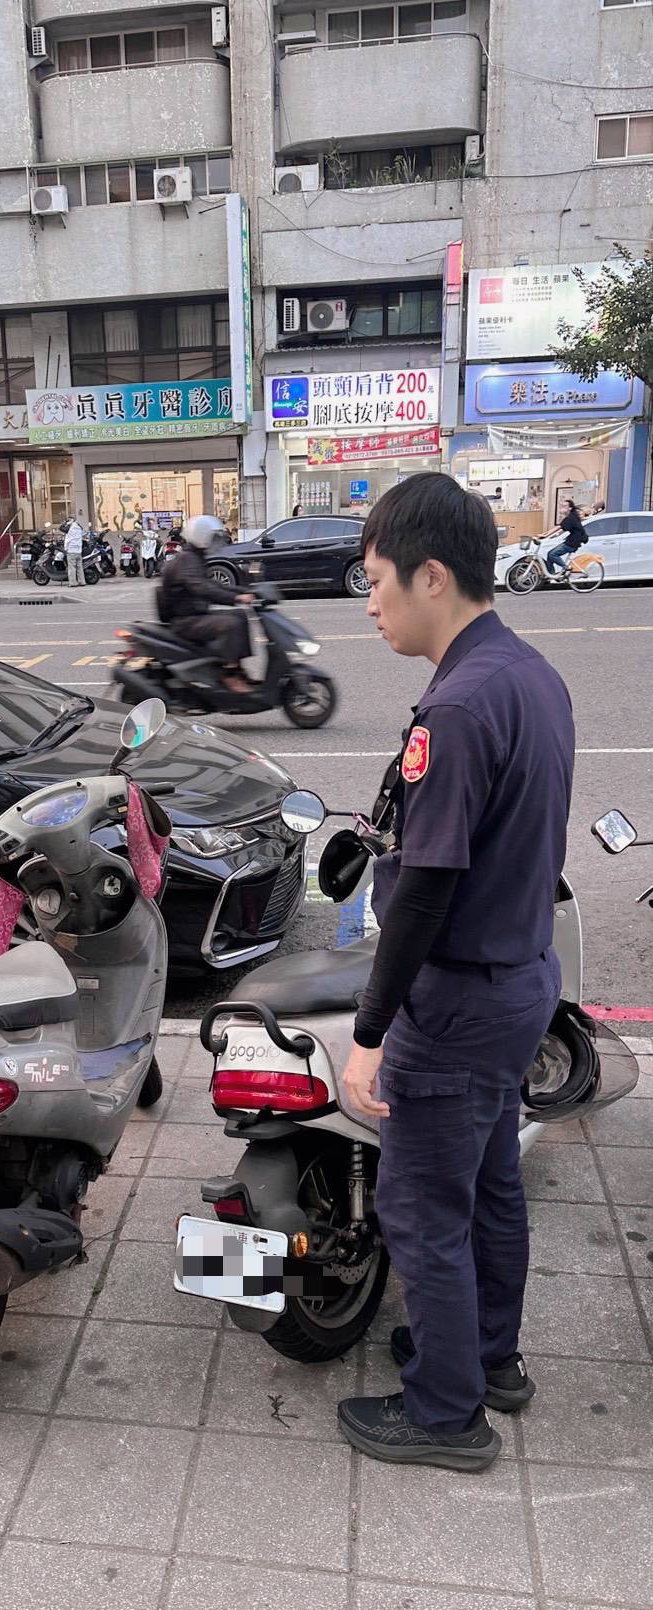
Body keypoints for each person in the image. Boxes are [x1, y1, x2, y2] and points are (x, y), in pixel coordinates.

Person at [336, 472, 574, 1472]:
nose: (371, 602)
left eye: (376, 579)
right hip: (521, 978)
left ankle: (445, 1411)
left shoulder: (461, 708)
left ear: (432, 575)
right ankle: (488, 1357)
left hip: (461, 997)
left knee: (423, 1206)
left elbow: (425, 893)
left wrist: (368, 1034)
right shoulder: (530, 674)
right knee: (488, 1181)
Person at [158, 513, 255, 693]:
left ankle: (237, 668)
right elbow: (202, 588)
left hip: (196, 615)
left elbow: (213, 585)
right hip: (185, 621)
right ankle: (229, 675)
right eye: (212, 537)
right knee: (231, 624)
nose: (214, 542)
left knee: (240, 615)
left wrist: (242, 591)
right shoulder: (186, 560)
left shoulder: (195, 557)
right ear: (202, 536)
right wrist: (235, 598)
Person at [543, 498, 588, 580]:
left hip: (573, 542)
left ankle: (567, 568)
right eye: (562, 506)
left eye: (564, 506)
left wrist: (544, 535)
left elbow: (559, 527)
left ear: (570, 508)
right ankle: (551, 574)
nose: (562, 508)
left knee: (552, 554)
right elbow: (558, 527)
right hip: (572, 540)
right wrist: (544, 534)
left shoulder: (571, 518)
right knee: (550, 553)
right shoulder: (571, 516)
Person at [63, 516, 84, 586]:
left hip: (71, 550)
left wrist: (66, 523)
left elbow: (60, 528)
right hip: (78, 550)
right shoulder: (79, 528)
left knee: (72, 568)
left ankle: (73, 583)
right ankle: (82, 582)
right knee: (79, 567)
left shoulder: (69, 528)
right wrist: (76, 523)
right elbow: (82, 528)